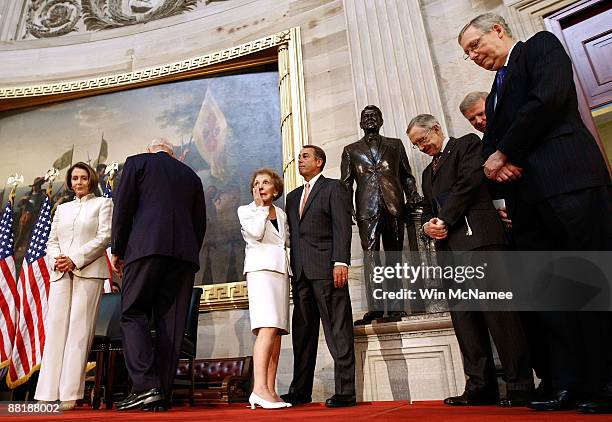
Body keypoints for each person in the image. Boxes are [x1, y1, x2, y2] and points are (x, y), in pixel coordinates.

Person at [458, 13, 612, 412]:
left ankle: (606, 381)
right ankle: (566, 382)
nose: (473, 56)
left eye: (474, 45)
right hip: (528, 201)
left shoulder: (540, 48)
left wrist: (504, 153)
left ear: (497, 30)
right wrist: (497, 159)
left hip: (569, 182)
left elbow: (549, 100)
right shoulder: (494, 91)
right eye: (466, 54)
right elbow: (488, 145)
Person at [407, 114, 534, 407]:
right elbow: (427, 208)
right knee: (465, 320)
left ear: (436, 128)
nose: (422, 147)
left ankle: (519, 385)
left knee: (500, 315)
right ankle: (480, 385)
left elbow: (469, 183)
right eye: (416, 145)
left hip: (480, 241)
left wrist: (443, 218)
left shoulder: (467, 144)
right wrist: (428, 225)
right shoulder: (427, 174)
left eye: (422, 140)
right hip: (449, 250)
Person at [111, 138, 206, 411]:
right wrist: (188, 253)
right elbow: (199, 221)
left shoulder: (137, 162)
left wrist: (118, 248)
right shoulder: (190, 175)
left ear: (151, 150)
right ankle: (161, 394)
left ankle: (145, 387)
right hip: (184, 258)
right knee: (172, 324)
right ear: (172, 153)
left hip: (146, 249)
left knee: (132, 311)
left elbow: (124, 207)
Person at [280, 145, 355, 408]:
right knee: (302, 335)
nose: (299, 160)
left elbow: (342, 227)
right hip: (300, 274)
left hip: (327, 270)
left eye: (305, 156)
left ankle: (345, 392)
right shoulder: (291, 197)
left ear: (319, 162)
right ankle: (300, 391)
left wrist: (341, 261)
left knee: (338, 331)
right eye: (299, 157)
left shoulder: (333, 188)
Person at [35, 162, 113, 410]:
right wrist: (57, 259)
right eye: (74, 179)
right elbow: (52, 240)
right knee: (56, 332)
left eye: (83, 178)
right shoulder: (63, 209)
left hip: (88, 272)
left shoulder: (103, 204)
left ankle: (70, 393)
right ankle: (46, 393)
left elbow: (105, 237)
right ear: (70, 182)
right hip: (60, 273)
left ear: (90, 179)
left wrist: (75, 259)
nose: (78, 182)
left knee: (79, 332)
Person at [341, 105, 420, 325]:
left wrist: (412, 194)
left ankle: (395, 307)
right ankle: (375, 308)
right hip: (367, 209)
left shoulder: (395, 144)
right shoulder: (351, 150)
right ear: (360, 123)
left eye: (374, 116)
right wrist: (347, 210)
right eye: (365, 117)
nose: (369, 119)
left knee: (394, 256)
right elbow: (346, 184)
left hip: (394, 205)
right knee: (371, 258)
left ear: (381, 120)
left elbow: (406, 175)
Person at [238, 168, 291, 410]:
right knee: (266, 327)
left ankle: (270, 389)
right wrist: (260, 208)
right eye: (256, 183)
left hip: (280, 273)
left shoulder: (280, 213)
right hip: (261, 273)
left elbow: (285, 242)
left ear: (276, 189)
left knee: (277, 332)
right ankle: (258, 389)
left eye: (266, 182)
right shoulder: (247, 211)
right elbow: (256, 233)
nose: (260, 186)